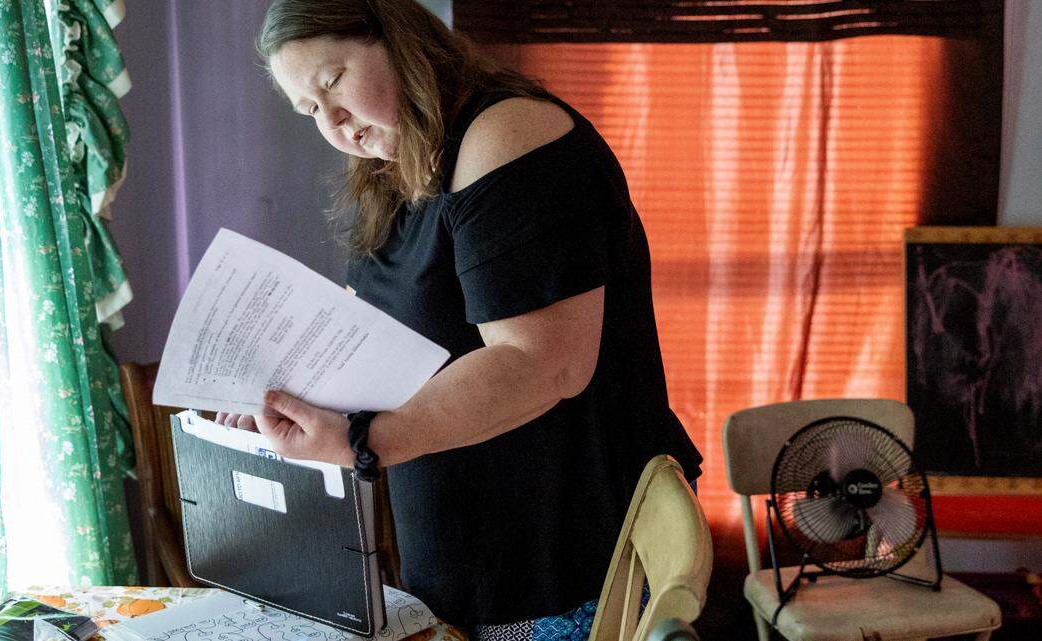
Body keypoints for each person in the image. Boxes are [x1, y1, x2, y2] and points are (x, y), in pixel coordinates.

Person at [215, 0, 703, 637]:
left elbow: (543, 363)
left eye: (332, 83)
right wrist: (291, 399)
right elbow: (394, 330)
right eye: (310, 111)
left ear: (397, 38)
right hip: (473, 562)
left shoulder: (509, 136)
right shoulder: (404, 165)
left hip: (564, 563)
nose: (335, 126)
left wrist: (359, 443)